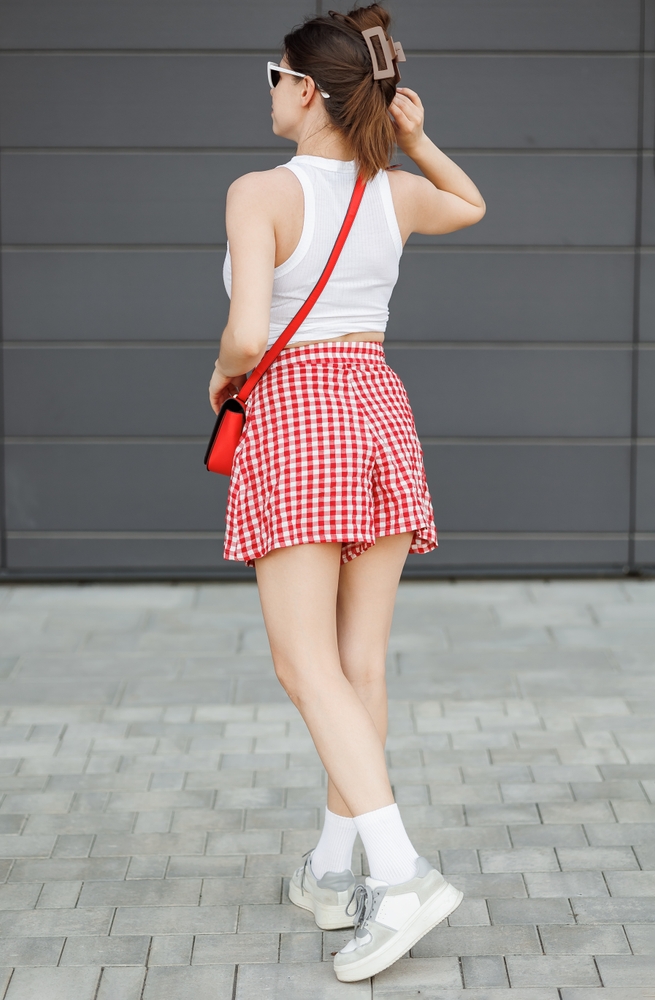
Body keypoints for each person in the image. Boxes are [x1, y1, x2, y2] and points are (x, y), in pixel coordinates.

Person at [208, 3, 485, 982]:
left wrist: (219, 374)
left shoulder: (259, 191)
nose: (270, 91)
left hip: (297, 413)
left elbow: (248, 330)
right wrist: (413, 137)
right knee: (358, 660)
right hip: (376, 403)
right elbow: (472, 204)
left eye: (274, 76)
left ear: (307, 90)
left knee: (302, 664)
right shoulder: (392, 191)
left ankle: (398, 870)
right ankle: (334, 868)